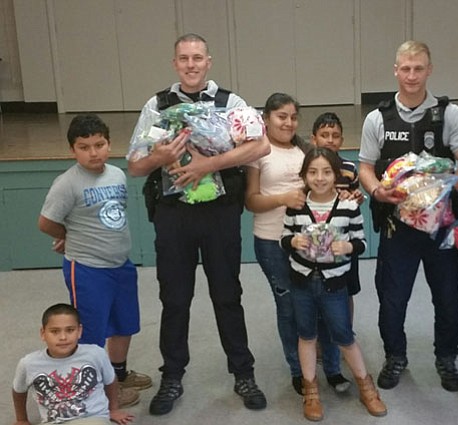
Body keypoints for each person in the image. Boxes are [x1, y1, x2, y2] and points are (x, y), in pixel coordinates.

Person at [126, 33, 269, 416]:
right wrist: (158, 156)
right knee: (174, 299)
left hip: (219, 212)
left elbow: (260, 146)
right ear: (175, 63)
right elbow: (135, 166)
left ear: (209, 61)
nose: (191, 65)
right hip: (174, 215)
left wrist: (208, 164)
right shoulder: (156, 106)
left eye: (198, 58)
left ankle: (243, 372)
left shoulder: (231, 103)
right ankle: (172, 376)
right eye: (184, 58)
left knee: (227, 294)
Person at [358, 40, 458, 392]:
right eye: (405, 68)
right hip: (398, 227)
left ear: (429, 70)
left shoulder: (449, 114)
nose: (411, 75)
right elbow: (365, 167)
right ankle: (395, 356)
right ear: (395, 70)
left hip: (440, 228)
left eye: (418, 68)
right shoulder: (377, 118)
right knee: (392, 298)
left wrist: (450, 186)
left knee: (447, 295)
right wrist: (378, 190)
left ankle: (446, 357)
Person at [38, 114, 150, 409]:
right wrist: (68, 236)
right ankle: (97, 388)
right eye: (84, 147)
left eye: (99, 144)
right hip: (87, 268)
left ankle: (119, 374)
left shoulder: (117, 174)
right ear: (72, 150)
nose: (93, 152)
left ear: (109, 144)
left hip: (120, 264)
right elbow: (46, 222)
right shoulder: (67, 184)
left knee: (125, 323)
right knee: (92, 330)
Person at [245, 94, 348, 396]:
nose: (288, 122)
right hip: (272, 241)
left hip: (310, 240)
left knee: (322, 306)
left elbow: (325, 181)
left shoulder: (305, 149)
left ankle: (332, 369)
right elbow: (251, 201)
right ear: (266, 118)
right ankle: (298, 371)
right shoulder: (257, 151)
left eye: (293, 117)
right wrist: (282, 198)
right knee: (289, 308)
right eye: (281, 116)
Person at [280, 147, 387, 421]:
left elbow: (362, 242)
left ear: (336, 175)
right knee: (306, 335)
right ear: (304, 175)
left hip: (334, 284)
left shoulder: (349, 207)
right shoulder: (296, 206)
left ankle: (366, 387)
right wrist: (292, 242)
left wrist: (347, 246)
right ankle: (311, 390)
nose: (320, 178)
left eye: (327, 172)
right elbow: (285, 237)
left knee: (344, 336)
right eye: (313, 172)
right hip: (302, 282)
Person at [12, 303, 134, 425]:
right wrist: (21, 419)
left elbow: (110, 381)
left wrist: (114, 410)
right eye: (55, 331)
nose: (63, 337)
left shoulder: (96, 354)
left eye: (70, 330)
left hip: (92, 418)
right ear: (43, 333)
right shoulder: (28, 364)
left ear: (79, 331)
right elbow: (18, 390)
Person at [310, 112, 364, 320]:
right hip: (316, 240)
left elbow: (355, 197)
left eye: (335, 135)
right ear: (314, 139)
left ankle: (346, 334)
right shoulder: (308, 168)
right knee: (314, 291)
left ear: (342, 140)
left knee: (347, 290)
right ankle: (318, 341)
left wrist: (356, 198)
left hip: (344, 241)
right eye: (324, 134)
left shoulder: (349, 169)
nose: (330, 140)